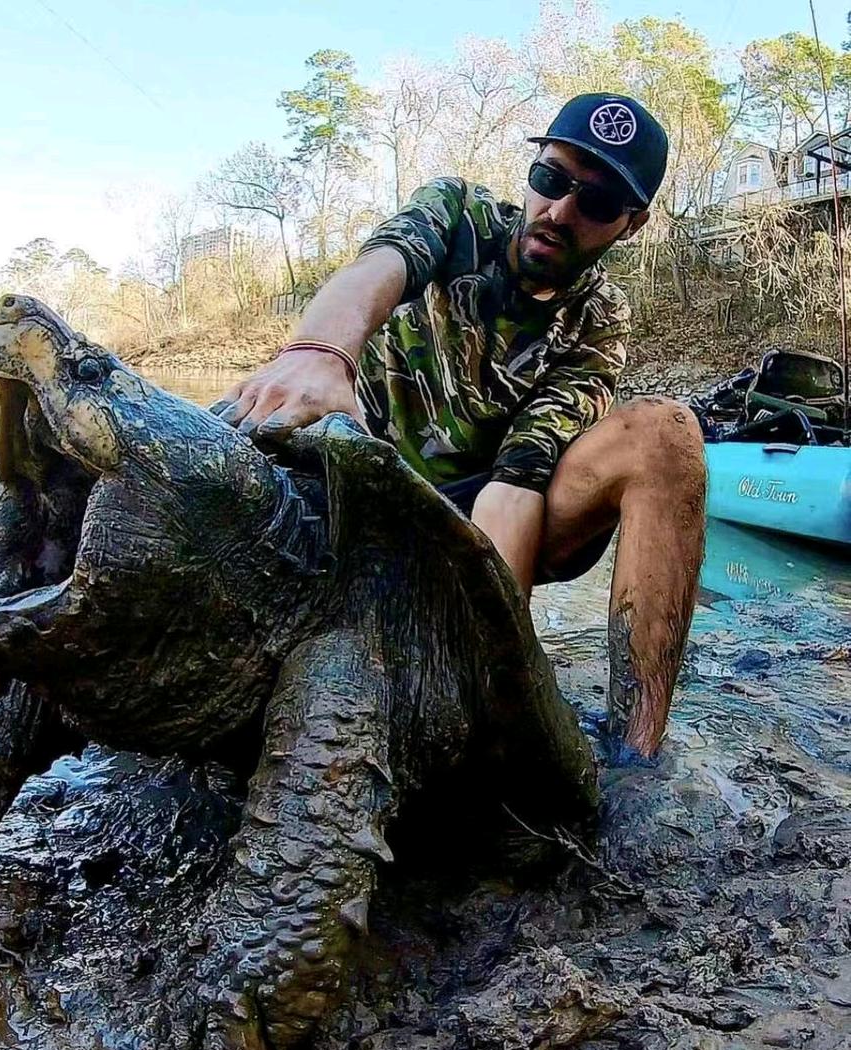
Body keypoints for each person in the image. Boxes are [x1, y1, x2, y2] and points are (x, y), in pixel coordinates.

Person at [210, 93, 706, 760]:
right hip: (348, 494)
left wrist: (494, 681)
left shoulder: (600, 318)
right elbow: (383, 264)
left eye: (595, 203)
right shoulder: (457, 213)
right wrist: (319, 353)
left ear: (632, 223)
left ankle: (635, 755)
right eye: (552, 179)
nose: (559, 212)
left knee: (668, 432)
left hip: (480, 522)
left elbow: (522, 476)